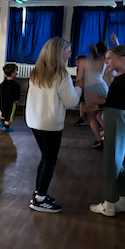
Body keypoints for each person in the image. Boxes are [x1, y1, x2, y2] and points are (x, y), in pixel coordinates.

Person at [25, 37, 81, 213]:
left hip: (35, 121)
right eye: (68, 51)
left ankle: (39, 194)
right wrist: (79, 86)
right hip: (50, 124)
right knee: (49, 160)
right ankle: (40, 199)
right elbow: (70, 102)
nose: (70, 55)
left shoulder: (36, 72)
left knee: (46, 158)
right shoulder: (61, 75)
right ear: (59, 53)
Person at [88, 46, 125, 217]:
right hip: (116, 118)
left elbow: (119, 103)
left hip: (117, 119)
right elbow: (115, 101)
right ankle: (123, 200)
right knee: (116, 161)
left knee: (111, 162)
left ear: (122, 60)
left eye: (109, 58)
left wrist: (100, 101)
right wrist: (100, 104)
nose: (106, 62)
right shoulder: (122, 78)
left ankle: (108, 204)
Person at [77, 43, 108, 149]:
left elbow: (79, 79)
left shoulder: (84, 62)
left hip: (90, 89)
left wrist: (76, 90)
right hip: (102, 87)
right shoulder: (103, 61)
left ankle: (99, 140)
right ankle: (112, 135)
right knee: (101, 115)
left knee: (92, 117)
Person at [0, 63, 20, 132]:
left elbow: (0, 93)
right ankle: (6, 126)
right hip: (11, 103)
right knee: (9, 115)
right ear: (12, 73)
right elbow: (16, 94)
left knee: (4, 113)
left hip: (2, 102)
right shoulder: (16, 85)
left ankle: (1, 121)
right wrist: (16, 100)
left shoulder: (3, 84)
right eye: (15, 71)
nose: (17, 73)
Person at [73, 55, 87, 126]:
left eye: (78, 62)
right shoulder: (78, 69)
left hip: (87, 87)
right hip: (82, 87)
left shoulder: (87, 69)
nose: (76, 64)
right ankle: (82, 118)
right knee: (82, 102)